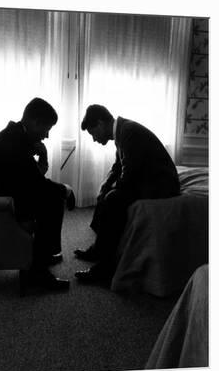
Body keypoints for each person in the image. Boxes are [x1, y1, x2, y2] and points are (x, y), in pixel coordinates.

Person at [0, 97, 75, 291]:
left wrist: (42, 157)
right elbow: (37, 184)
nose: (47, 136)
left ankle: (43, 255)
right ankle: (37, 275)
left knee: (49, 196)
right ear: (35, 122)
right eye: (47, 129)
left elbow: (30, 178)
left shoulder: (16, 136)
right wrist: (66, 190)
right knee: (52, 200)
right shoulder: (15, 143)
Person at [75, 104, 180, 283]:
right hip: (148, 178)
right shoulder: (122, 131)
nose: (94, 139)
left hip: (161, 184)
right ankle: (98, 250)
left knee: (114, 200)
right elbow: (119, 166)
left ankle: (105, 270)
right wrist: (105, 186)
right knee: (107, 193)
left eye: (93, 134)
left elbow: (130, 172)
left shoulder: (129, 132)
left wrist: (112, 191)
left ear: (100, 124)